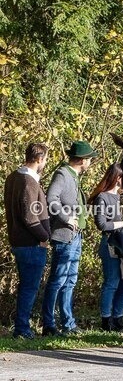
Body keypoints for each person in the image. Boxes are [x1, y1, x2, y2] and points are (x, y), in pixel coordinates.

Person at [42, 141, 96, 335]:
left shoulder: (74, 175)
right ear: (82, 160)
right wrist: (66, 218)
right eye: (89, 159)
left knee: (70, 280)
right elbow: (51, 199)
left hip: (76, 235)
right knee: (57, 280)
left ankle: (68, 323)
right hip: (65, 235)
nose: (91, 162)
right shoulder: (63, 174)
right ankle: (48, 324)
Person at [4, 143, 51, 338]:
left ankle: (22, 327)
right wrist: (44, 236)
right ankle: (22, 329)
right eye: (46, 159)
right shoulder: (28, 181)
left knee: (27, 287)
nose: (46, 163)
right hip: (30, 243)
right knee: (29, 288)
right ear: (39, 159)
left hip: (19, 241)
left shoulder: (12, 177)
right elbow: (30, 217)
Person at [90, 163, 123, 332]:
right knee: (112, 282)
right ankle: (106, 319)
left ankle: (118, 317)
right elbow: (101, 224)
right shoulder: (102, 198)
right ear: (117, 178)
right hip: (110, 244)